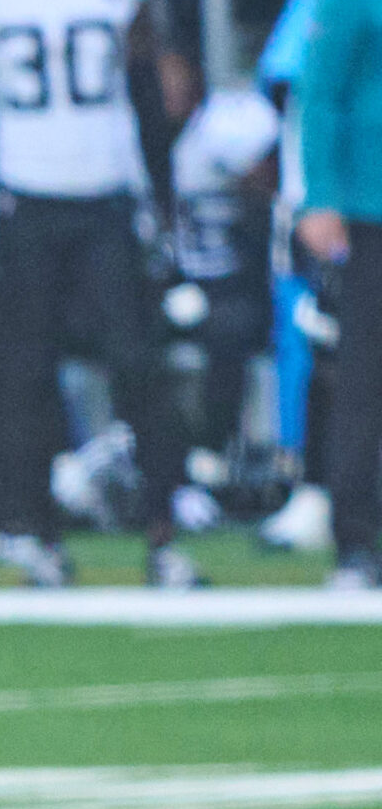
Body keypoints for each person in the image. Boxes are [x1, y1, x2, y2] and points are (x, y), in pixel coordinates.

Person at [0, 0, 192, 589]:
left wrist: (163, 208)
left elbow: (148, 98)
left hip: (108, 198)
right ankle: (39, 536)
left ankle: (163, 533)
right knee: (24, 378)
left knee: (138, 371)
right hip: (27, 200)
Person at [296, 0, 382, 590]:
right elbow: (320, 91)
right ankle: (355, 538)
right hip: (373, 202)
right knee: (365, 377)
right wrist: (321, 194)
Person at [156, 47, 278, 494]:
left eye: (175, 79)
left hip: (227, 278)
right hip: (170, 278)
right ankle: (154, 458)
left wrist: (249, 178)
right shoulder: (136, 134)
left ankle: (211, 451)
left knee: (229, 331)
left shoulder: (217, 129)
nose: (167, 91)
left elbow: (264, 170)